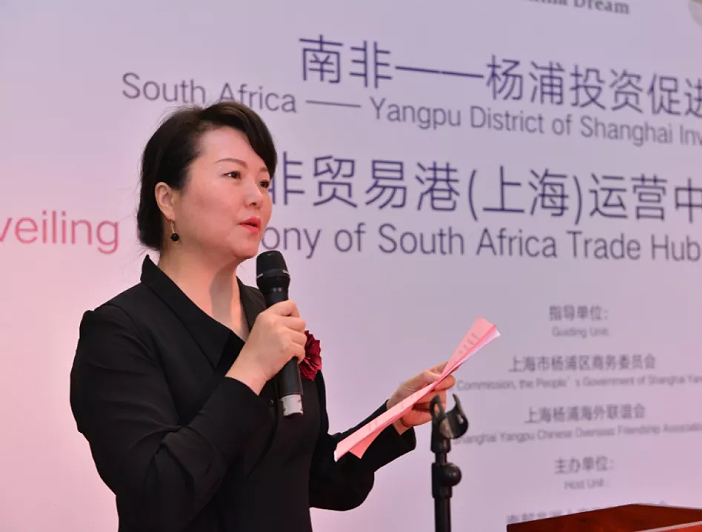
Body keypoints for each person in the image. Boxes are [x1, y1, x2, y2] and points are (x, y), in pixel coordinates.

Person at [69, 101, 456, 532]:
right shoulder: (119, 332)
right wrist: (250, 370)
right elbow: (159, 492)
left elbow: (315, 479)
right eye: (233, 176)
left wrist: (392, 419)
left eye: (264, 182)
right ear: (168, 200)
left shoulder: (268, 313)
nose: (257, 197)